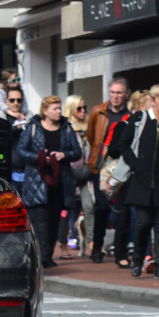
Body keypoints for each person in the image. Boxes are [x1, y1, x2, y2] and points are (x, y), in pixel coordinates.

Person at [110, 84, 159, 280]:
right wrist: (136, 164)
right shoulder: (139, 119)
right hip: (140, 181)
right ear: (154, 100)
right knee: (143, 223)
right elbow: (122, 144)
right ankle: (138, 260)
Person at [16, 95, 83, 269]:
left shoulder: (66, 128)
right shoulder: (33, 127)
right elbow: (21, 150)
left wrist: (64, 155)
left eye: (60, 108)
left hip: (60, 182)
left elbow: (77, 151)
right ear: (45, 111)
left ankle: (48, 256)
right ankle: (41, 257)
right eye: (55, 108)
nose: (59, 111)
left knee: (54, 221)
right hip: (37, 181)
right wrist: (38, 158)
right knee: (41, 222)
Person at [85, 76, 131, 264]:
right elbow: (91, 136)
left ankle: (121, 253)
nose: (116, 96)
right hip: (101, 168)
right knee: (102, 209)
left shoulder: (131, 114)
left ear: (126, 94)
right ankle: (97, 248)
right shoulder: (98, 112)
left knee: (121, 211)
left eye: (119, 93)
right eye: (113, 92)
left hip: (123, 170)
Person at [58, 95, 93, 258]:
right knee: (68, 209)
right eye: (79, 108)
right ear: (71, 109)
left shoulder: (89, 127)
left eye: (84, 108)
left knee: (88, 207)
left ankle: (90, 242)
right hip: (70, 173)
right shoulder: (66, 128)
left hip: (86, 173)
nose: (83, 111)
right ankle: (68, 241)